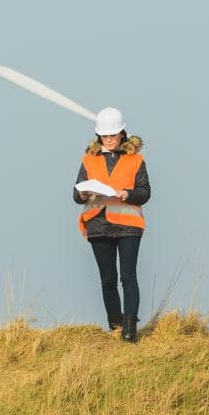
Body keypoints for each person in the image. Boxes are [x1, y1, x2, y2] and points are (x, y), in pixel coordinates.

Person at [73, 106, 151, 343]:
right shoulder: (88, 160)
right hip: (98, 225)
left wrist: (126, 194)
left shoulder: (135, 160)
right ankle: (115, 327)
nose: (108, 140)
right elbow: (76, 195)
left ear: (122, 134)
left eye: (112, 135)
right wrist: (84, 195)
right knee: (107, 279)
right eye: (104, 136)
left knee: (128, 277)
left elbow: (145, 193)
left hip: (128, 226)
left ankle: (130, 331)